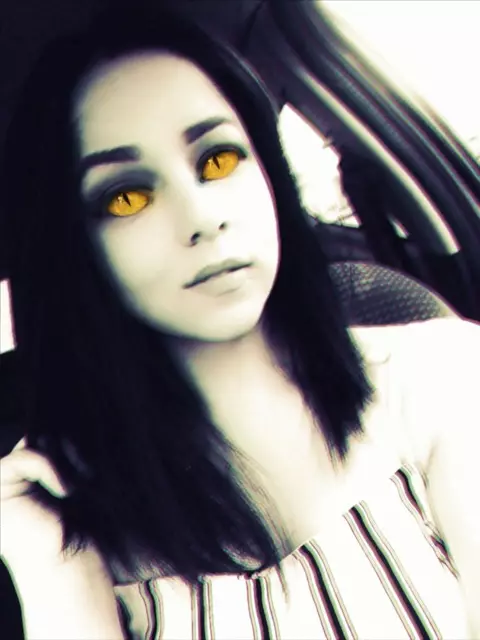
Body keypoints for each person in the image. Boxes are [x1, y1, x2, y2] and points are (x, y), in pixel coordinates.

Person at [1, 3, 479, 638]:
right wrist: (60, 580)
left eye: (219, 160)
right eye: (127, 196)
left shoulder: (441, 375)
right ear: (71, 249)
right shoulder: (61, 517)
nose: (203, 216)